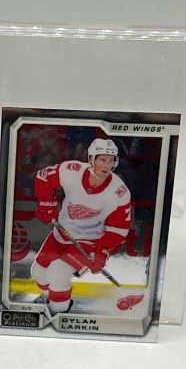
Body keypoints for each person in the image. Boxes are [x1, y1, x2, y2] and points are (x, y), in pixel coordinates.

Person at [28, 135, 133, 315]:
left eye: (111, 161)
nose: (107, 166)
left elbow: (118, 229)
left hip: (89, 242)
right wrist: (46, 204)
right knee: (38, 272)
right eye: (102, 160)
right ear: (91, 159)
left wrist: (101, 251)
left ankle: (58, 313)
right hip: (60, 234)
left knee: (57, 273)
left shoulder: (119, 193)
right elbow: (43, 177)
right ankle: (50, 298)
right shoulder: (72, 171)